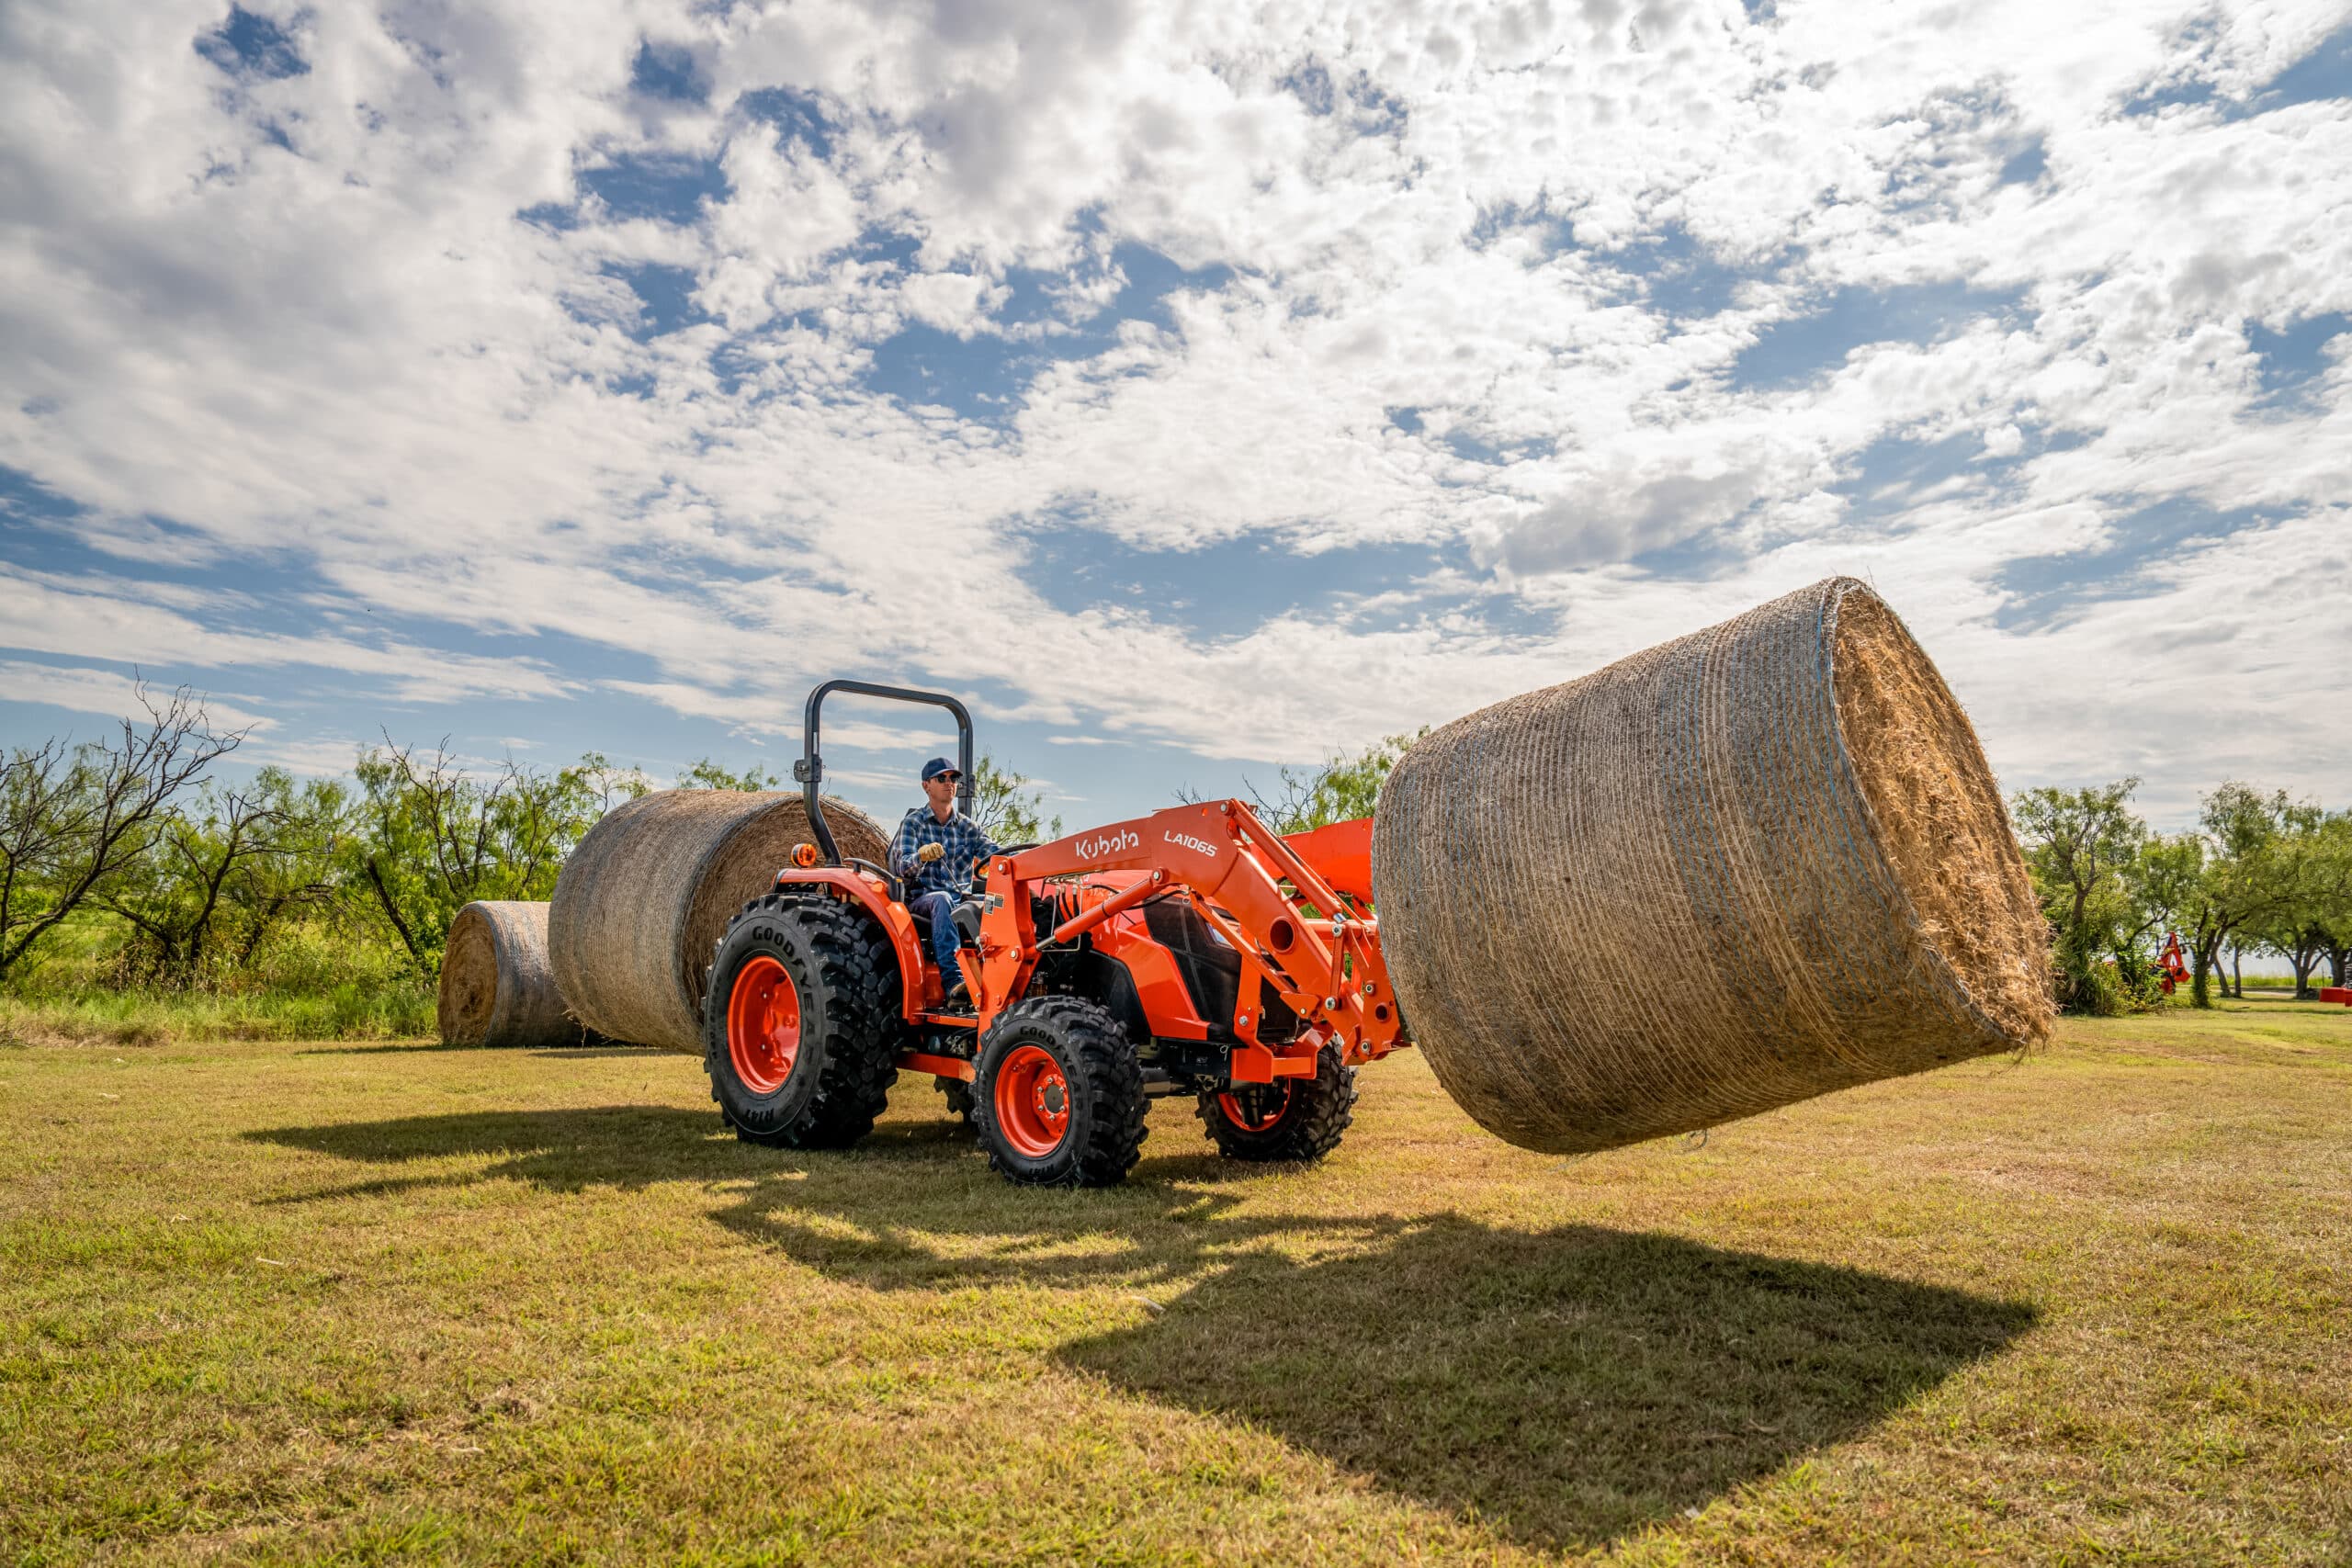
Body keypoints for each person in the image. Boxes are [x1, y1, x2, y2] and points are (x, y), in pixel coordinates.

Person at [889, 756, 1001, 1000]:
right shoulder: (913, 824)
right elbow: (901, 868)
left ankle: (1004, 979)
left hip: (960, 899)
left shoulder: (968, 828)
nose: (949, 783)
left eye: (953, 778)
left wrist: (1022, 862)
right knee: (941, 900)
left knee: (998, 902)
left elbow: (997, 857)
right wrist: (921, 856)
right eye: (941, 778)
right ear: (926, 785)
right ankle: (954, 982)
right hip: (922, 900)